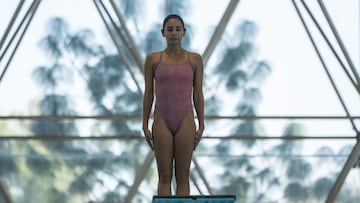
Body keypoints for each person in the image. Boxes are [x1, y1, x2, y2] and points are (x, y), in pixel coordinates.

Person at [142, 14, 205, 196]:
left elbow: (198, 94)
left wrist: (202, 124)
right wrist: (145, 124)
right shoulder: (153, 60)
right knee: (164, 175)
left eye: (178, 29)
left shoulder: (195, 60)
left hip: (185, 119)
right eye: (170, 29)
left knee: (183, 175)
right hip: (162, 119)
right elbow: (148, 93)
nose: (174, 33)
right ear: (163, 33)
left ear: (184, 33)